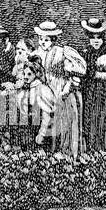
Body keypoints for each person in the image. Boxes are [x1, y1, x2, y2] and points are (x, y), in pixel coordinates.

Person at [32, 21, 85, 157]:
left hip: (64, 92)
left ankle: (68, 153)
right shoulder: (38, 54)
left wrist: (70, 71)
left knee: (67, 122)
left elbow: (81, 69)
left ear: (54, 40)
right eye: (41, 39)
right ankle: (53, 152)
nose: (43, 42)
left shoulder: (62, 52)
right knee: (52, 122)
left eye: (47, 39)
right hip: (50, 93)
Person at [79, 18, 106, 153]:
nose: (96, 40)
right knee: (89, 116)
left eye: (99, 37)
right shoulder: (85, 51)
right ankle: (90, 147)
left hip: (104, 89)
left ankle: (102, 147)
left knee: (102, 115)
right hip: (89, 89)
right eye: (92, 37)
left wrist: (97, 74)